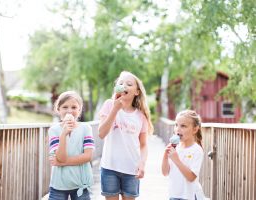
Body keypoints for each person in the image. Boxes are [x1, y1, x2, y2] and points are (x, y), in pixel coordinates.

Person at [98, 71, 154, 200]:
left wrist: (142, 163)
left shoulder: (141, 116)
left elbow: (143, 145)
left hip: (131, 169)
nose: (124, 86)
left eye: (129, 84)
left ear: (137, 92)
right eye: (121, 83)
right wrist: (115, 109)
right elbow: (101, 134)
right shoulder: (109, 105)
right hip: (109, 167)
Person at [48, 91, 95, 200]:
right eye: (65, 107)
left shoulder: (86, 128)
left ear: (79, 110)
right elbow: (61, 157)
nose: (69, 110)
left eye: (74, 107)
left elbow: (88, 156)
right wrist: (64, 134)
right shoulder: (54, 130)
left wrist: (60, 162)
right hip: (58, 185)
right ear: (58, 110)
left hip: (81, 185)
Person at [161, 110, 205, 200]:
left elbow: (191, 177)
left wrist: (176, 159)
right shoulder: (175, 147)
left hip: (189, 196)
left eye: (183, 126)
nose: (178, 129)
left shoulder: (196, 150)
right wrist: (165, 155)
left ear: (195, 129)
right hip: (174, 195)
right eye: (176, 125)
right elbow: (165, 173)